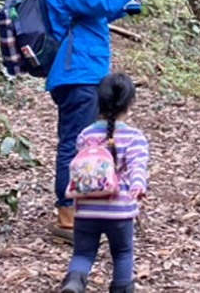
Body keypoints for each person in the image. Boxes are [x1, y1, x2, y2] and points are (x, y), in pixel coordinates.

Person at [42, 0, 156, 241]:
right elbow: (103, 3)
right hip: (77, 72)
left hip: (85, 71)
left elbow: (102, 12)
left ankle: (85, 207)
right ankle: (68, 215)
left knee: (86, 141)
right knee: (74, 142)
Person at [59, 72, 149, 293]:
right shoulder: (135, 137)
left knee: (83, 253)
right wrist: (138, 186)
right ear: (130, 103)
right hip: (119, 210)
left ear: (99, 100)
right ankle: (122, 288)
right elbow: (138, 166)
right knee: (122, 253)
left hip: (86, 210)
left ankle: (74, 283)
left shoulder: (85, 135)